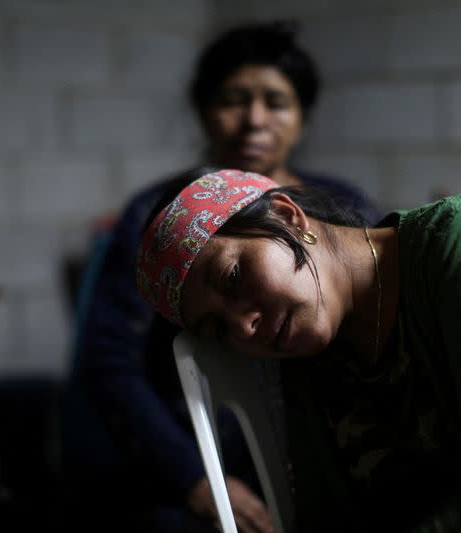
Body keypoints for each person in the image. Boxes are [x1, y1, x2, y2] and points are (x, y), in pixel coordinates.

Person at [135, 168, 461, 533]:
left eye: (234, 276)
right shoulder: (313, 367)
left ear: (289, 217)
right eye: (218, 329)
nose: (244, 326)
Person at [61, 20, 381, 532]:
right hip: (206, 451)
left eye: (276, 102)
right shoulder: (159, 219)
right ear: (204, 112)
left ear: (301, 118)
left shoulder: (339, 206)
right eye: (234, 99)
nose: (254, 120)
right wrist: (195, 476)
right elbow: (108, 360)